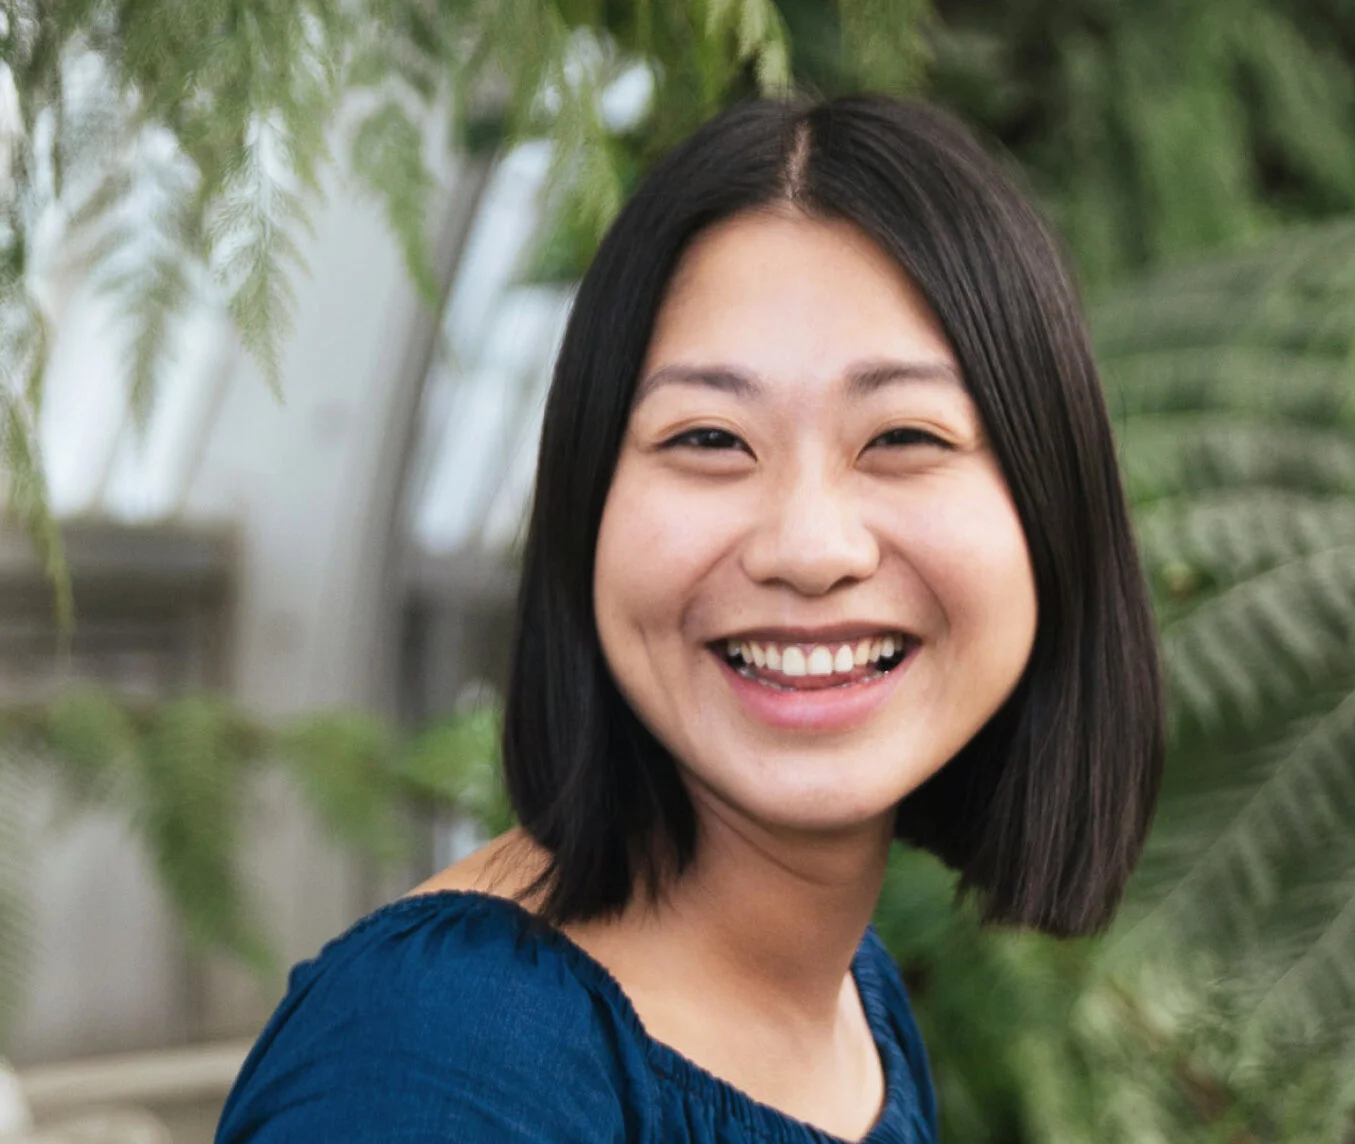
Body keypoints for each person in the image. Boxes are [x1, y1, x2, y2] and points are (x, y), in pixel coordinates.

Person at [216, 94, 1164, 1144]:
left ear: (1051, 507)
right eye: (710, 437)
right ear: (585, 508)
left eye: (902, 434)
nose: (808, 548)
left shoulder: (854, 1002)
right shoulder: (442, 1062)